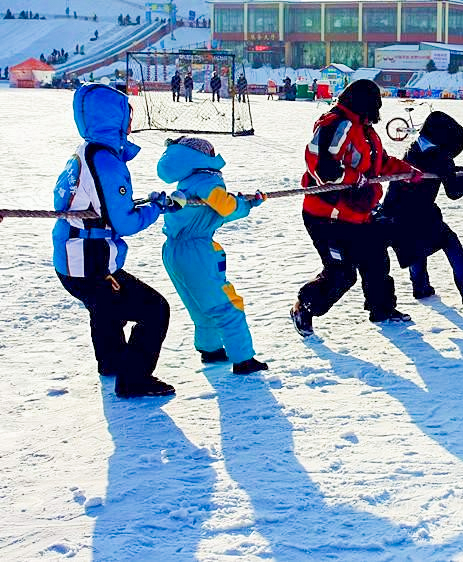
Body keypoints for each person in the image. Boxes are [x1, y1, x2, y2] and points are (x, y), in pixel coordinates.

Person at [52, 84, 179, 398]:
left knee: (106, 306)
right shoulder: (107, 162)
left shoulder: (84, 151)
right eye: (127, 114)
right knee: (154, 309)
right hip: (90, 263)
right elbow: (124, 223)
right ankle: (133, 379)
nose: (130, 122)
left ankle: (111, 362)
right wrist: (156, 208)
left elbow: (98, 206)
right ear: (115, 118)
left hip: (70, 259)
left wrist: (135, 204)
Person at [290, 79, 418, 335]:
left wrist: (405, 171)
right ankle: (304, 307)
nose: (377, 115)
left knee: (375, 257)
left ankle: (381, 308)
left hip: (357, 214)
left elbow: (377, 164)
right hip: (327, 217)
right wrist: (351, 178)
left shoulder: (364, 129)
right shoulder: (335, 124)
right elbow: (321, 168)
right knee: (342, 272)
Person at [156, 137, 268, 375]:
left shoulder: (187, 182)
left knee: (199, 303)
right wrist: (237, 203)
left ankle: (211, 349)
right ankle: (243, 358)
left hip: (173, 251)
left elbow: (213, 214)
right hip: (196, 252)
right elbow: (225, 207)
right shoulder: (207, 179)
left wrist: (247, 205)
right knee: (226, 304)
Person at [380, 112, 463, 306]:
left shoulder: (414, 147)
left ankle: (420, 287)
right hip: (419, 211)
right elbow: (454, 191)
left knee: (413, 245)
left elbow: (442, 172)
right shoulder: (439, 157)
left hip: (395, 210)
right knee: (450, 243)